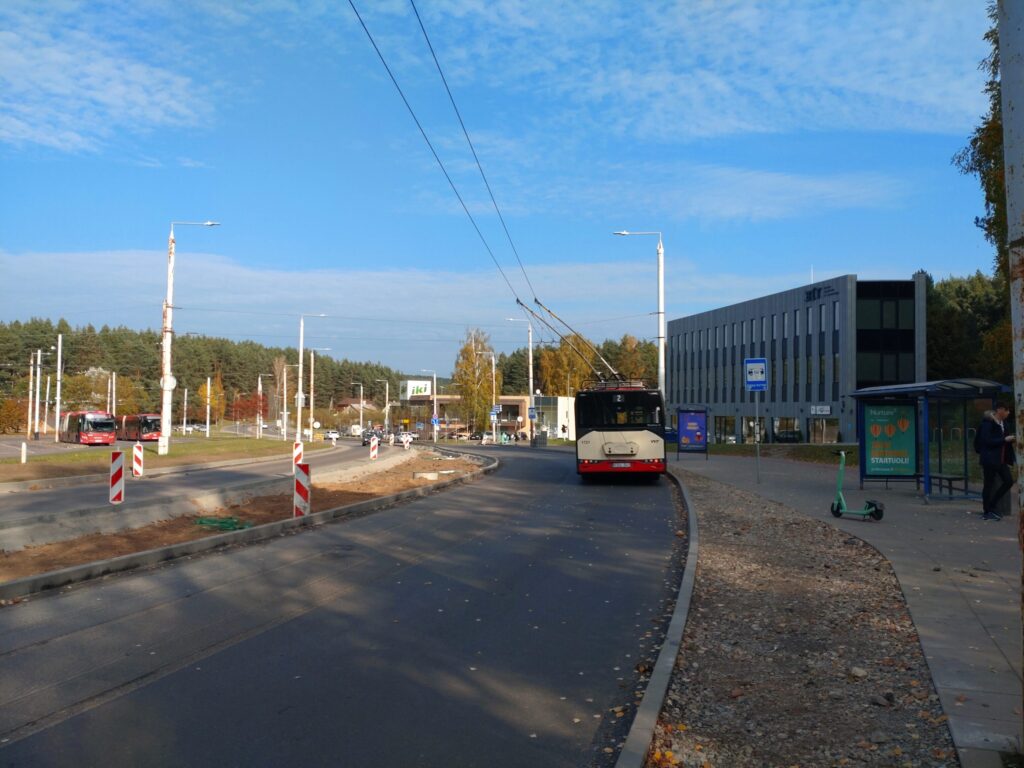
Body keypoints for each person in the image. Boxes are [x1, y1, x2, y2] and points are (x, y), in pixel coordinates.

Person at [977, 403, 1016, 521]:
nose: (1008, 413)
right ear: (1000, 410)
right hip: (990, 459)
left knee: (1008, 481)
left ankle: (992, 505)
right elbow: (987, 441)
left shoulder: (1004, 424)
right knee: (988, 484)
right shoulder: (988, 424)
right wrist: (1004, 439)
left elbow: (1005, 442)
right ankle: (987, 511)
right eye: (1007, 410)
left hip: (1001, 459)